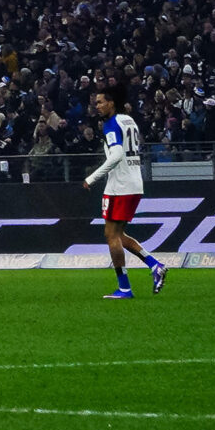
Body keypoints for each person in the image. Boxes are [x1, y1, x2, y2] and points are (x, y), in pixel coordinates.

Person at [83, 84, 165, 298]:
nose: (97, 106)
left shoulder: (111, 124)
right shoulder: (128, 120)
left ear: (111, 103)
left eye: (100, 102)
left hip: (119, 186)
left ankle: (125, 288)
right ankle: (154, 265)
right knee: (117, 234)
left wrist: (92, 178)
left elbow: (117, 154)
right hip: (134, 182)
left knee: (111, 235)